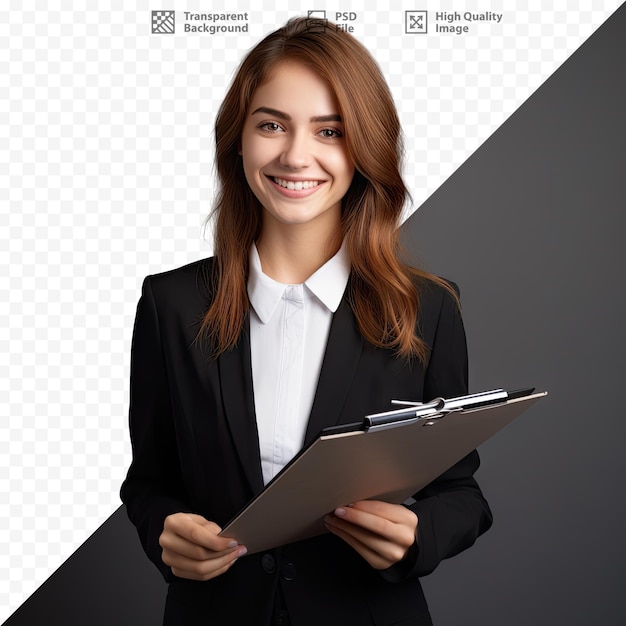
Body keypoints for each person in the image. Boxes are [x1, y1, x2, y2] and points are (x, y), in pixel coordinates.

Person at [120, 17, 492, 626]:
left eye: (330, 131)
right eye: (271, 125)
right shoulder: (170, 304)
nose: (296, 155)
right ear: (238, 140)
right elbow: (148, 481)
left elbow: (462, 493)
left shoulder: (428, 309)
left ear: (364, 148)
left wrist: (419, 534)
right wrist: (164, 529)